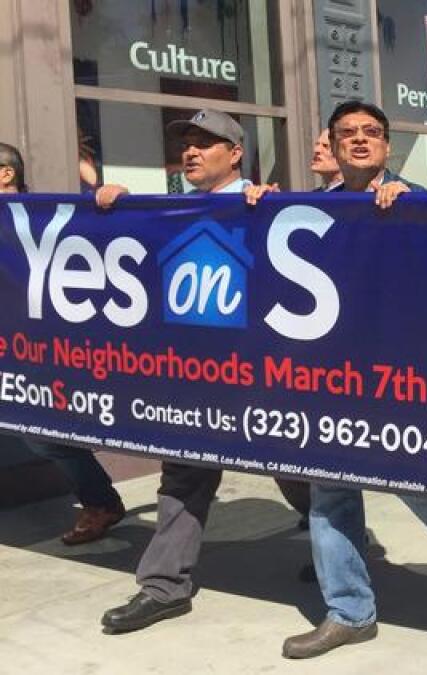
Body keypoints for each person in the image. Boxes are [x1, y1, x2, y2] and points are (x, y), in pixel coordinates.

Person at [253, 102, 427, 660]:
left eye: (371, 133)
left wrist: (417, 213)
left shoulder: (415, 197)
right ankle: (350, 611)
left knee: (413, 480)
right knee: (329, 491)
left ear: (388, 147)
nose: (360, 140)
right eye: (348, 133)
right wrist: (255, 209)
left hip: (399, 376)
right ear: (334, 145)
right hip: (331, 377)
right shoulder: (310, 207)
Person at [96, 109, 312, 633]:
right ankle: (164, 586)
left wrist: (269, 208)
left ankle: (341, 545)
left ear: (235, 153)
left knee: (296, 468)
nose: (191, 152)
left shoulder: (266, 206)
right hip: (193, 376)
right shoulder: (168, 210)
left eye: (205, 142)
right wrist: (110, 207)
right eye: (186, 143)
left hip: (260, 375)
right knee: (184, 474)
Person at [0, 142, 130, 545]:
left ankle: (100, 502)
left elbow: (102, 237)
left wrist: (116, 198)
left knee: (41, 435)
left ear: (6, 174)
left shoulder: (42, 216)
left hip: (34, 345)